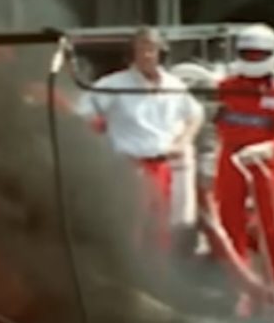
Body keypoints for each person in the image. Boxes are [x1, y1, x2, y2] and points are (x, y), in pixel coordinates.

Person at [80, 28, 206, 254]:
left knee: (162, 230)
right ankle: (128, 277)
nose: (147, 55)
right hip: (129, 167)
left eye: (151, 49)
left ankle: (158, 278)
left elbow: (195, 114)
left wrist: (183, 141)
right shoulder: (113, 85)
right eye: (141, 50)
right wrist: (99, 142)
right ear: (132, 54)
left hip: (163, 167)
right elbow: (83, 112)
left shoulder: (174, 84)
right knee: (130, 228)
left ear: (162, 53)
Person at [213, 24, 274, 296]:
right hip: (231, 160)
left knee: (270, 228)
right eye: (247, 54)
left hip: (266, 165)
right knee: (229, 223)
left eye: (259, 55)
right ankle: (237, 286)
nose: (253, 60)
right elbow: (207, 120)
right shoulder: (224, 87)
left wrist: (269, 147)